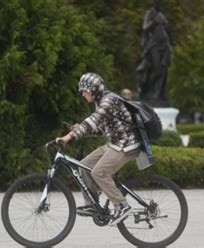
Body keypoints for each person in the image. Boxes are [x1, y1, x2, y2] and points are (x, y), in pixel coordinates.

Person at [56, 72, 141, 225]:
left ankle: (122, 206)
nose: (82, 94)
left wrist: (69, 136)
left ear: (92, 89)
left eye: (84, 90)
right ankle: (92, 205)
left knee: (99, 172)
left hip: (127, 144)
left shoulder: (109, 100)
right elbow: (100, 128)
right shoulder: (101, 101)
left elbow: (93, 120)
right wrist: (78, 129)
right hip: (115, 142)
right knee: (84, 166)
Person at [136, 0, 172, 107]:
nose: (160, 5)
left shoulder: (162, 15)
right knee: (156, 70)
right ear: (154, 3)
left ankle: (158, 95)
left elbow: (166, 28)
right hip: (154, 45)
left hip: (164, 45)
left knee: (163, 70)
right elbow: (145, 28)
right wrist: (154, 22)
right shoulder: (149, 14)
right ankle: (148, 91)